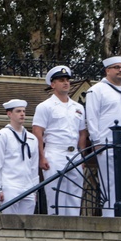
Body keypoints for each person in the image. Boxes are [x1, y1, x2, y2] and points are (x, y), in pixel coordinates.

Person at [85, 58, 121, 217]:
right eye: (116, 67)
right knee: (110, 182)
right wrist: (96, 141)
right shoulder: (97, 90)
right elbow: (92, 117)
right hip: (107, 143)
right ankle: (111, 216)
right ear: (107, 70)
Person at [33, 65, 87, 216]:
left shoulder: (78, 107)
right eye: (61, 80)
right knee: (55, 193)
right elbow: (38, 131)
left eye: (67, 80)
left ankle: (73, 228)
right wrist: (42, 156)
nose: (66, 83)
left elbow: (82, 132)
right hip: (55, 152)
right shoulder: (45, 106)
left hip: (74, 153)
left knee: (75, 194)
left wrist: (82, 155)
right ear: (53, 84)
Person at [0, 99, 40, 215]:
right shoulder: (2, 135)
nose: (22, 114)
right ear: (9, 114)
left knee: (27, 223)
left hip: (28, 186)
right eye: (18, 111)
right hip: (10, 184)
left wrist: (34, 189)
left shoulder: (32, 138)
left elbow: (34, 166)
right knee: (10, 223)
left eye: (23, 111)